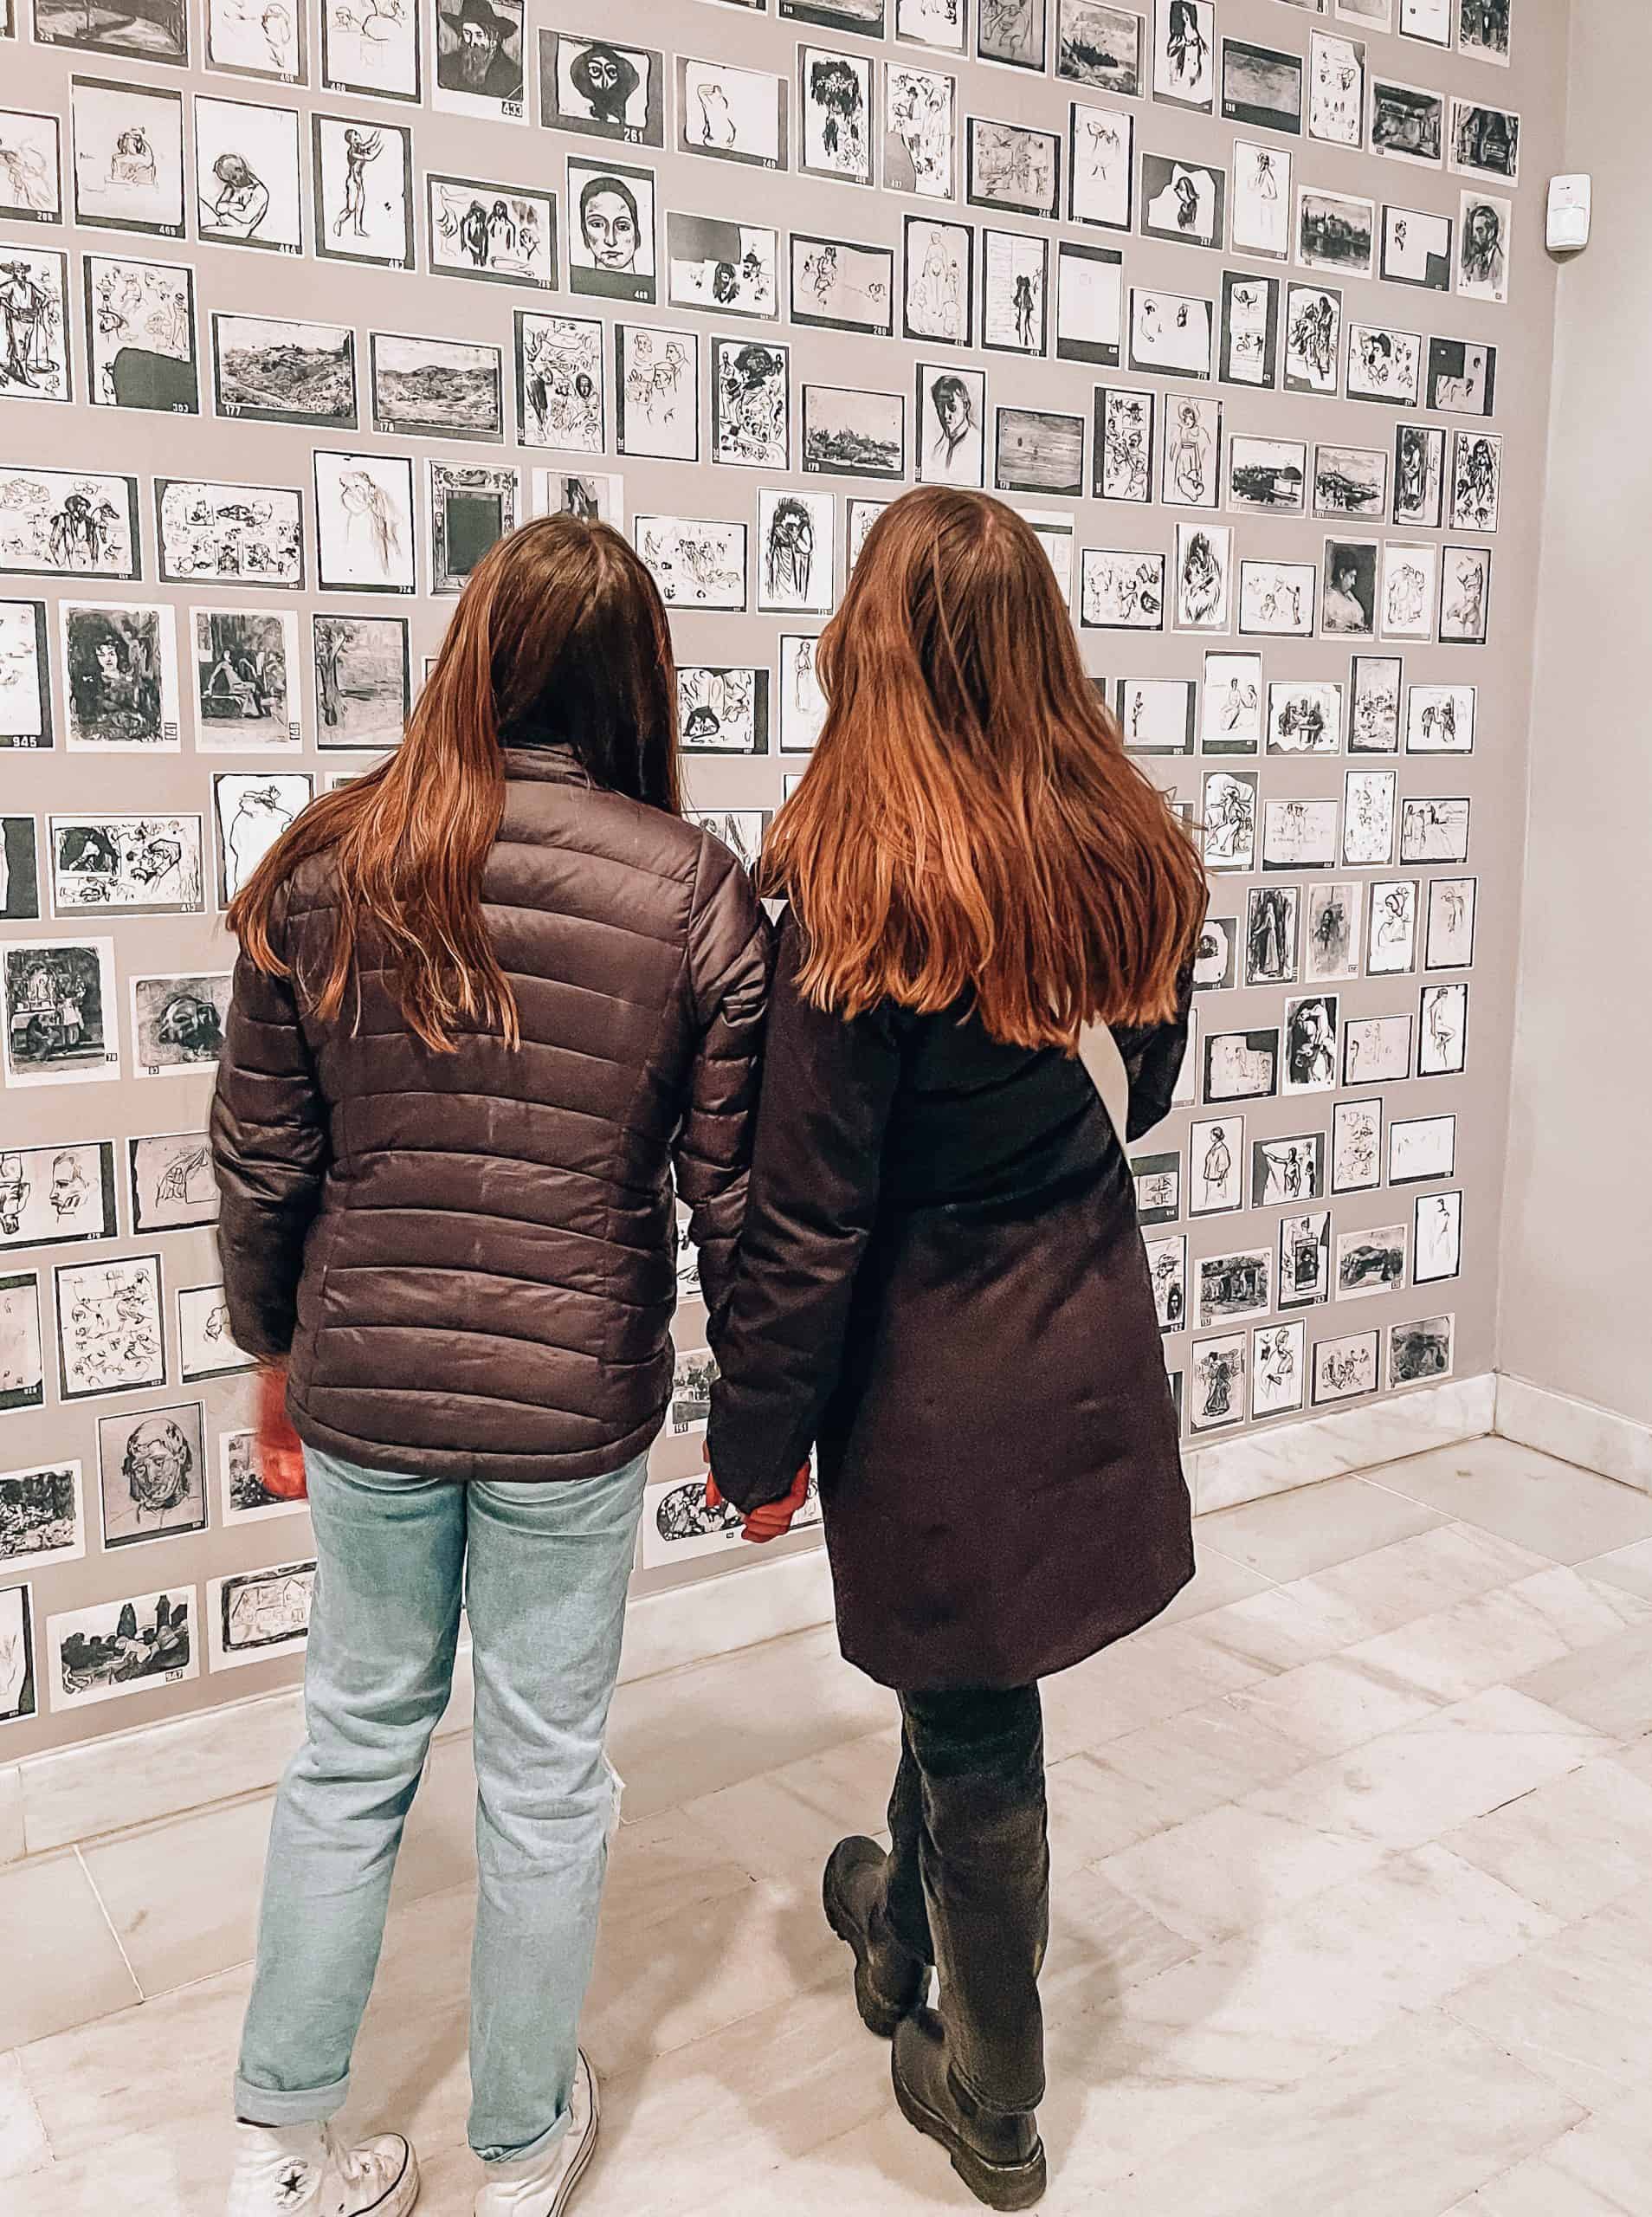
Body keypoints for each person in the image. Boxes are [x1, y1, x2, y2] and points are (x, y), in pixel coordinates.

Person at [210, 515, 771, 2217]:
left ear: (472, 656)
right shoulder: (693, 890)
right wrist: (766, 1416)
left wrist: (275, 1355)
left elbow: (261, 1158)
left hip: (369, 1379)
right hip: (569, 1401)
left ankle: (282, 2148)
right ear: (636, 682)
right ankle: (522, 2147)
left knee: (349, 1746)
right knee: (542, 1770)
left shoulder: (325, 860)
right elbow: (732, 1195)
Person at [702, 488, 1206, 2211]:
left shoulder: (849, 897)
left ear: (880, 647)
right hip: (1079, 1315)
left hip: (934, 1359)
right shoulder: (1134, 846)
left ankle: (990, 2091)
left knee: (978, 1714)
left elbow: (808, 1214)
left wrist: (753, 1443)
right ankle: (897, 1921)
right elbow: (1147, 1083)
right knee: (969, 1672)